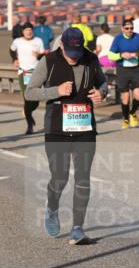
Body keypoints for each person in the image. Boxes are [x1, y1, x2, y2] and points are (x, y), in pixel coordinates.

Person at [24, 27, 108, 246]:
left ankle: (78, 228)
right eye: (70, 51)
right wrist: (55, 91)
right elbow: (29, 92)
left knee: (83, 177)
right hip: (56, 127)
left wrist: (102, 93)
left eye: (77, 51)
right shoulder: (49, 62)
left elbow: (103, 82)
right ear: (61, 45)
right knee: (59, 177)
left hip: (84, 126)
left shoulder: (90, 59)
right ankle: (52, 208)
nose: (74, 56)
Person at [108, 18, 139, 128]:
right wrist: (121, 55)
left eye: (131, 28)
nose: (129, 30)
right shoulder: (118, 39)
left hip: (136, 69)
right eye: (127, 28)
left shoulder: (138, 37)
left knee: (138, 96)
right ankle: (126, 118)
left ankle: (132, 113)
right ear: (122, 29)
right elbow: (110, 55)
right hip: (122, 70)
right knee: (125, 98)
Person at [11, 22, 46, 134]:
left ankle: (28, 112)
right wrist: (14, 59)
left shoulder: (38, 41)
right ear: (23, 32)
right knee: (27, 97)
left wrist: (39, 55)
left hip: (37, 73)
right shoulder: (17, 41)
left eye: (30, 30)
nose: (28, 32)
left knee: (36, 101)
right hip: (23, 72)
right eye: (26, 30)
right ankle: (30, 125)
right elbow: (11, 50)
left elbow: (43, 54)